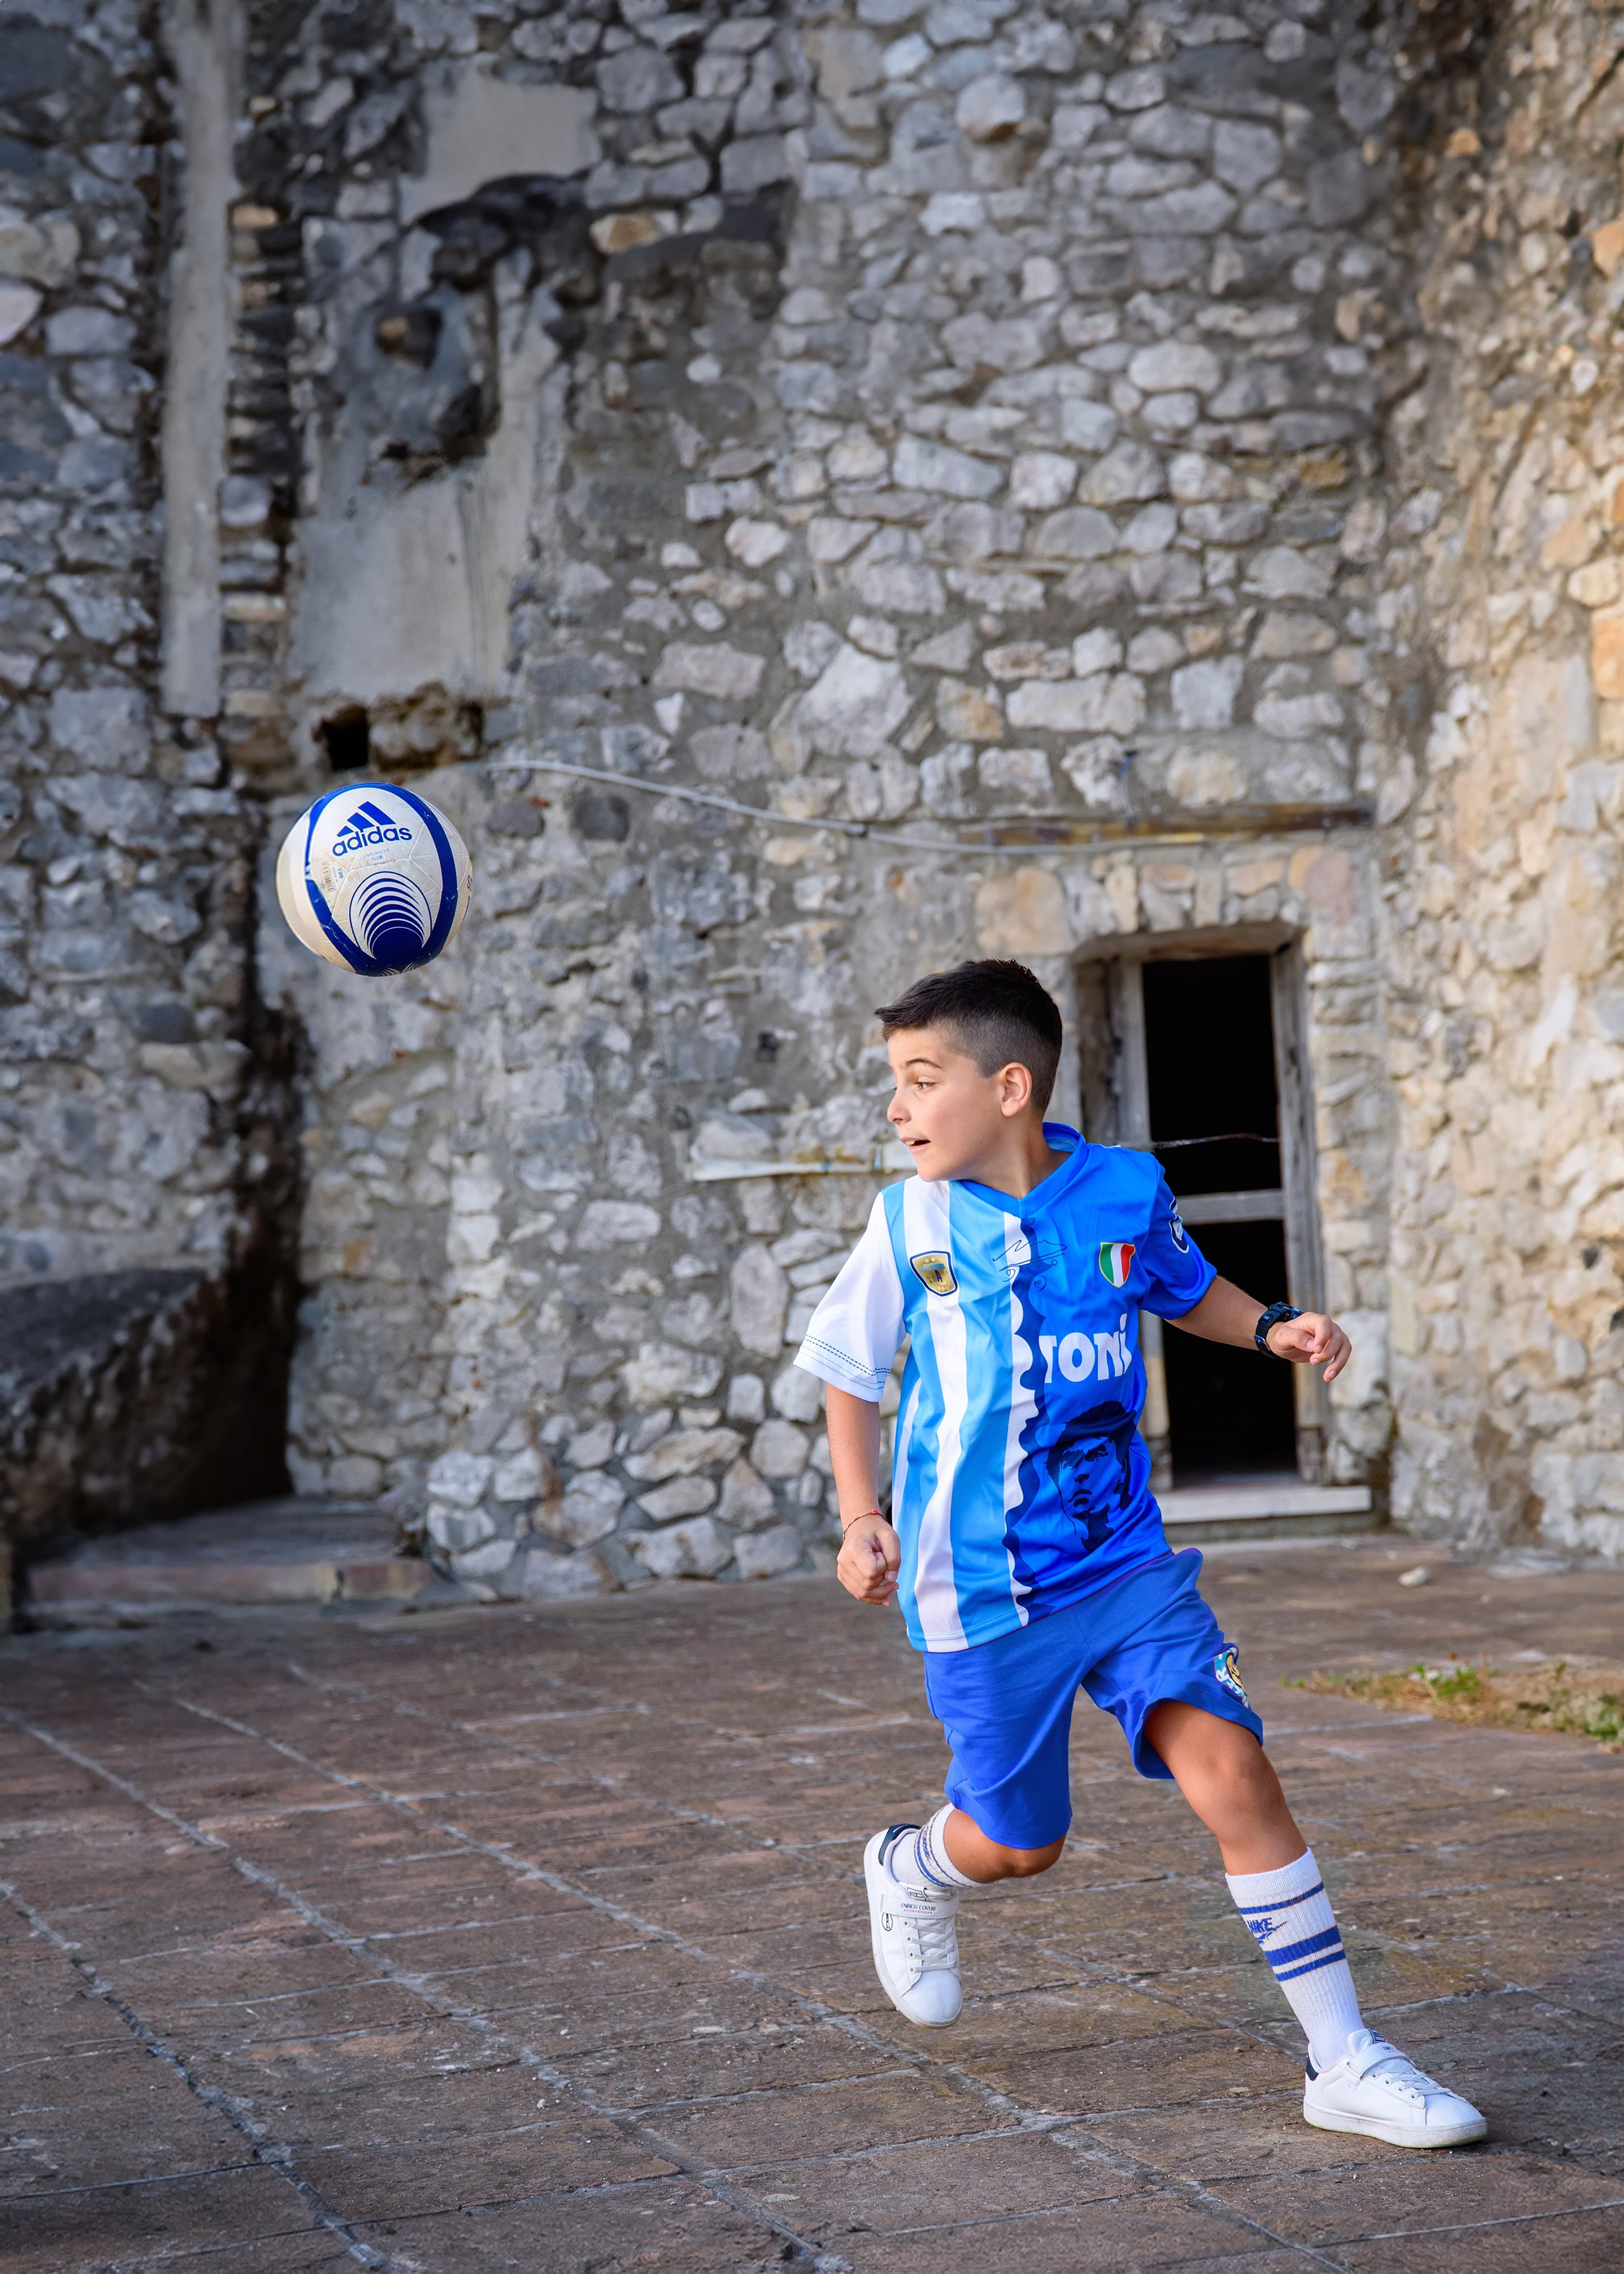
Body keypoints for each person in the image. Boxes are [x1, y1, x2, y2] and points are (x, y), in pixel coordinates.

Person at [792, 958, 1486, 2151]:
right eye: (894, 1086)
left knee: (1235, 1771)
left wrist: (1271, 1325)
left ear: (1010, 1086)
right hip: (984, 1589)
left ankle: (1345, 2057)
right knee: (1020, 1845)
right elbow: (848, 1373)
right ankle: (911, 1869)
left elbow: (1182, 1286)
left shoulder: (1125, 1189)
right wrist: (862, 1517)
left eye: (920, 1081)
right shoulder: (908, 1220)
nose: (897, 1111)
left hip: (1125, 1564)